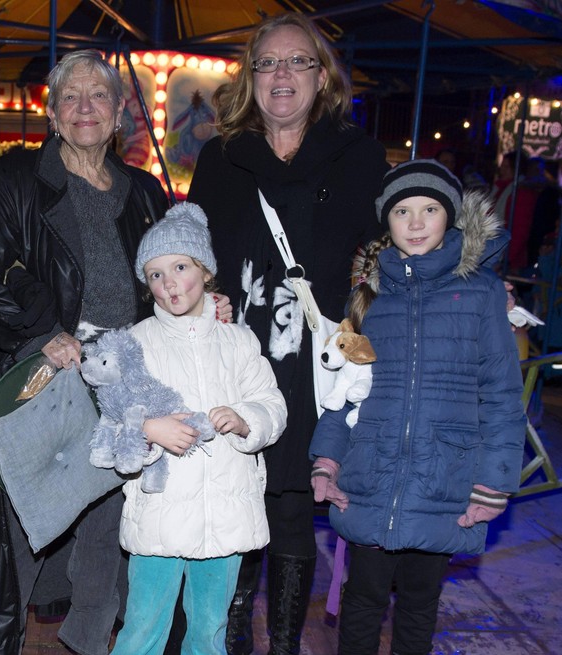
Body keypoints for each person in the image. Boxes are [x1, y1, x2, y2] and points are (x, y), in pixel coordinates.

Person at [0, 49, 231, 655]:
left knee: (104, 532)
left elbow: (171, 278)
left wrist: (205, 307)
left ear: (120, 112)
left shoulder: (144, 192)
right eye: (72, 97)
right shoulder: (12, 181)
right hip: (40, 378)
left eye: (99, 97)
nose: (85, 108)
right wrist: (44, 333)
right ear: (53, 111)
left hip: (124, 382)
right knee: (20, 522)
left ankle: (88, 642)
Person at [186, 12, 389, 655]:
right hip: (237, 353)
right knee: (239, 489)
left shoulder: (357, 155)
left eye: (297, 61)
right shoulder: (222, 156)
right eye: (267, 62)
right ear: (251, 77)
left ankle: (284, 643)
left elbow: (394, 246)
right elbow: (195, 248)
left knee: (296, 499)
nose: (281, 75)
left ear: (321, 76)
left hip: (316, 360)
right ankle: (236, 633)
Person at [310, 159, 525, 655]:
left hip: (444, 478)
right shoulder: (368, 297)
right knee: (362, 598)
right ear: (386, 222)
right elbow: (346, 389)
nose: (416, 222)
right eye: (402, 211)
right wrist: (326, 460)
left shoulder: (482, 292)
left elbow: (501, 395)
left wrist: (494, 482)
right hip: (372, 474)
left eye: (430, 209)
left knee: (420, 601)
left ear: (450, 217)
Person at [110, 202, 287, 654]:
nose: (169, 282)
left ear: (206, 271)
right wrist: (150, 428)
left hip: (225, 517)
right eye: (155, 274)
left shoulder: (239, 340)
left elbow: (272, 403)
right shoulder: (137, 344)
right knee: (142, 627)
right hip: (160, 516)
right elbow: (112, 424)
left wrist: (248, 419)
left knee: (209, 628)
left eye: (180, 267)